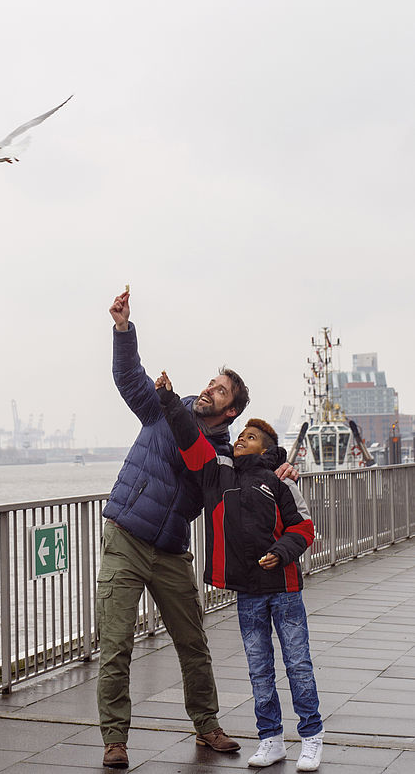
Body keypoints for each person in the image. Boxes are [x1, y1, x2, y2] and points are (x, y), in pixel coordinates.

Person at [97, 288, 298, 770]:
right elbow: (128, 377)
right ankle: (115, 738)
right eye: (211, 382)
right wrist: (124, 328)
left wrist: (279, 469)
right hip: (126, 537)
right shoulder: (166, 409)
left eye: (221, 389)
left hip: (170, 549)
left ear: (231, 411)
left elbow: (251, 478)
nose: (209, 389)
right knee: (116, 642)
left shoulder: (226, 453)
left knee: (193, 642)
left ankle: (207, 725)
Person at [155, 369, 323, 772]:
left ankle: (311, 736)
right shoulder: (217, 472)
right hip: (247, 590)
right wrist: (167, 398)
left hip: (283, 588)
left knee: (297, 661)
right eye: (239, 435)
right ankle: (270, 739)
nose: (239, 439)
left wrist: (281, 553)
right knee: (259, 666)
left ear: (262, 448)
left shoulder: (280, 481)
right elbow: (189, 439)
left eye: (247, 437)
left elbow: (304, 527)